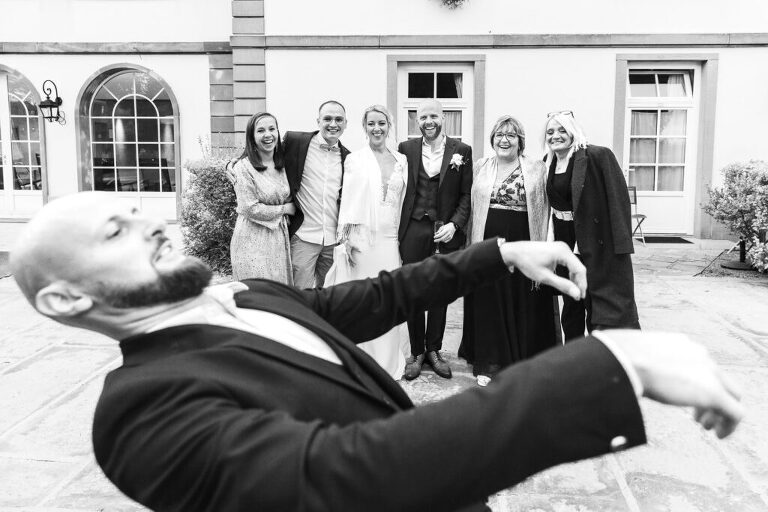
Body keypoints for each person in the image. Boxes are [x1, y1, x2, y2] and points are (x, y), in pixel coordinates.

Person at [11, 193, 743, 512]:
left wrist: (500, 253)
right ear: (67, 300)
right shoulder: (140, 416)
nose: (152, 224)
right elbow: (348, 477)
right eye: (116, 232)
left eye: (138, 212)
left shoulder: (245, 295)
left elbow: (376, 298)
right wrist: (609, 363)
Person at [459, 115, 557, 386]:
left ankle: (524, 360)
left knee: (522, 299)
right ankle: (490, 362)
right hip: (487, 241)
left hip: (524, 240)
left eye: (511, 135)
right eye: (499, 135)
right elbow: (468, 204)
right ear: (492, 140)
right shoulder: (481, 166)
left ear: (520, 141)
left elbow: (549, 205)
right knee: (490, 300)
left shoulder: (537, 168)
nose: (504, 140)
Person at [227, 101, 351, 288]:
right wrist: (231, 163)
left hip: (333, 241)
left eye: (338, 119)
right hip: (303, 237)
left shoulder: (349, 158)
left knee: (329, 295)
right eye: (327, 119)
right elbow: (262, 151)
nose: (333, 124)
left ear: (346, 123)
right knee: (298, 295)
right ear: (318, 121)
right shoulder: (296, 142)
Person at [323, 105, 408, 379]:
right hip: (361, 240)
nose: (376, 128)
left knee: (388, 297)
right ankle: (362, 359)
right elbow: (348, 200)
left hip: (390, 239)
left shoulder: (402, 161)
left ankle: (386, 359)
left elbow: (404, 201)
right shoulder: (355, 159)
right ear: (364, 127)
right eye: (371, 123)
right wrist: (345, 241)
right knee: (363, 297)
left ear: (389, 125)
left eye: (381, 123)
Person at [543, 111, 641, 340]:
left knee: (602, 305)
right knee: (572, 302)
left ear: (573, 132)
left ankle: (605, 352)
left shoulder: (597, 155)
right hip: (564, 241)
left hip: (595, 239)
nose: (555, 136)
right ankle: (575, 352)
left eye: (562, 130)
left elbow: (618, 199)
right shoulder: (548, 161)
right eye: (550, 132)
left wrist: (622, 244)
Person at [397, 98, 472, 380]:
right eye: (423, 117)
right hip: (414, 228)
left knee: (440, 291)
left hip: (445, 230)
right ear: (417, 121)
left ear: (443, 118)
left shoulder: (461, 151)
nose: (428, 122)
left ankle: (434, 350)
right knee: (414, 289)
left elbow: (465, 194)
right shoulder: (406, 149)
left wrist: (455, 224)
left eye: (433, 116)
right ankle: (416, 351)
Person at [229, 112, 294, 283]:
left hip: (278, 238)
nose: (268, 134)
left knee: (278, 290)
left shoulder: (284, 164)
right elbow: (248, 208)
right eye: (260, 130)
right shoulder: (243, 167)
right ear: (251, 137)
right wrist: (285, 209)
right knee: (257, 290)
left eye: (272, 129)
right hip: (251, 240)